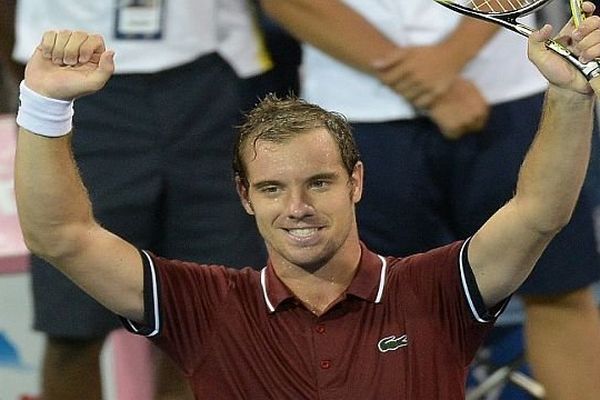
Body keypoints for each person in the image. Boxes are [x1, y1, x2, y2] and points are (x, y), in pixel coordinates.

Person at [12, 10, 600, 398]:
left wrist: (571, 96)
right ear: (244, 197)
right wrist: (43, 103)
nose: (297, 206)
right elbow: (61, 235)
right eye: (272, 188)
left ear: (356, 183)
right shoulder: (207, 304)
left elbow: (539, 212)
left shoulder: (436, 286)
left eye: (319, 182)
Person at [260, 1, 600, 398]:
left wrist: (445, 62)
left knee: (557, 291)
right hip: (355, 113)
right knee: (368, 311)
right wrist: (428, 76)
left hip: (509, 92)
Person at [1, 1, 270, 399]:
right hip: (74, 76)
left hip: (207, 77)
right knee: (73, 328)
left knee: (205, 320)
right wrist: (27, 87)